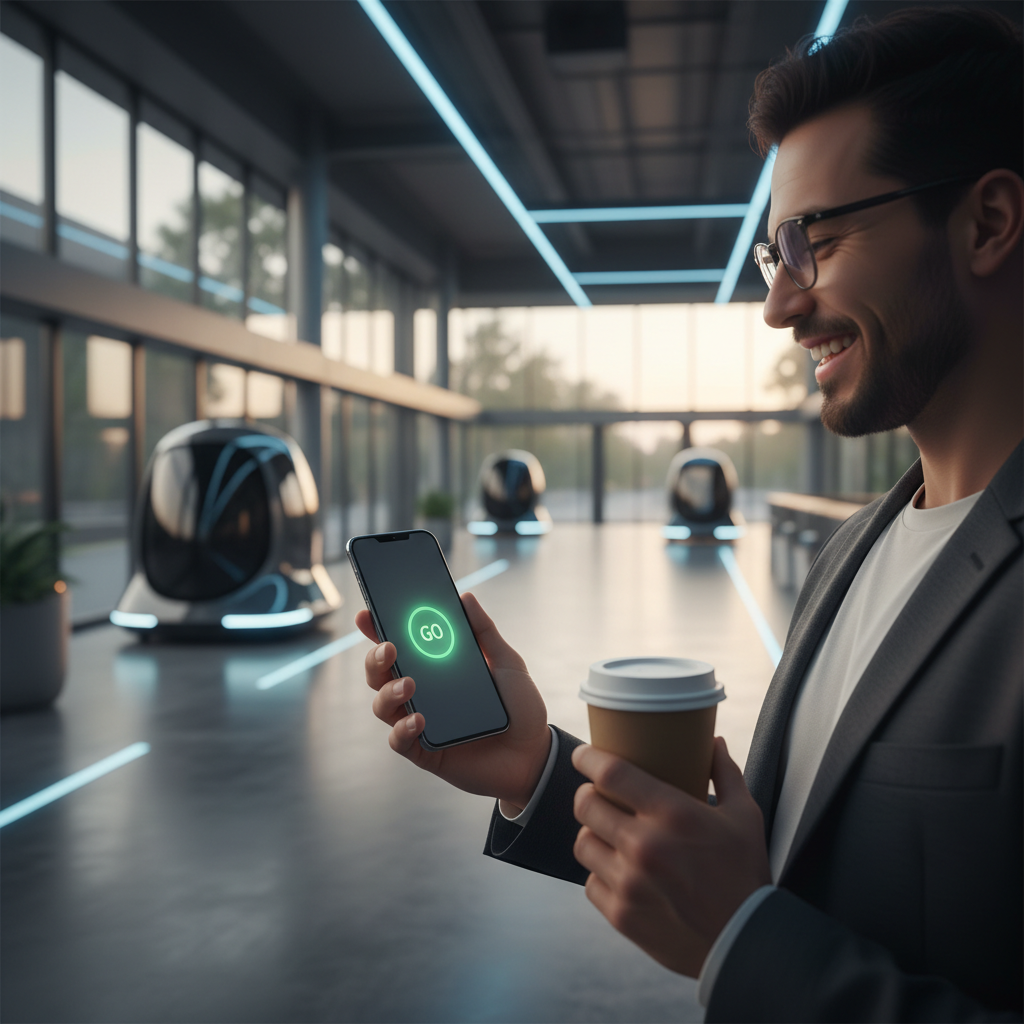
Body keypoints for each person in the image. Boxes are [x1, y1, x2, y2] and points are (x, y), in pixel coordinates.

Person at [356, 6, 1023, 1020]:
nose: (779, 304)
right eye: (773, 257)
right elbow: (768, 865)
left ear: (986, 223)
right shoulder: (852, 553)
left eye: (819, 241)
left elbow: (749, 921)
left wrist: (743, 938)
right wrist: (535, 768)